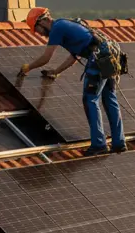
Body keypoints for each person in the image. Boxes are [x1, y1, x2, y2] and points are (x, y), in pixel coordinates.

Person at [19, 7, 126, 156]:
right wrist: (56, 72)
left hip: (99, 59)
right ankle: (119, 143)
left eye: (37, 30)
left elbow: (46, 57)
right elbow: (74, 57)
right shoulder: (66, 24)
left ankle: (99, 144)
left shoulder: (57, 28)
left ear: (42, 21)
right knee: (109, 98)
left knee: (90, 99)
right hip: (111, 56)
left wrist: (27, 68)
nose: (40, 34)